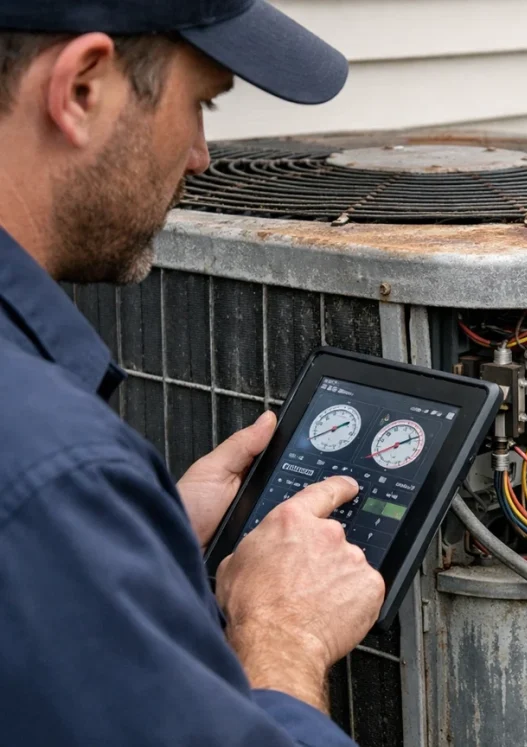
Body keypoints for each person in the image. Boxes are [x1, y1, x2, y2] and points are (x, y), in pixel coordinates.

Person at [0, 2, 386, 745]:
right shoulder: (50, 467)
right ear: (82, 88)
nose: (201, 153)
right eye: (200, 103)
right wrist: (283, 635)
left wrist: (140, 536)